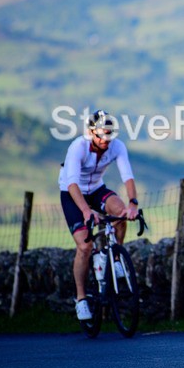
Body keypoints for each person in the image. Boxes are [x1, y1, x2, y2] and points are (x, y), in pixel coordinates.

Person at [59, 109, 140, 321]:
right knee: (85, 246)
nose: (106, 140)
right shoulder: (78, 147)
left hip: (96, 188)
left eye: (109, 135)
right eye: (102, 135)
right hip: (72, 193)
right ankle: (81, 299)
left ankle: (115, 258)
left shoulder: (117, 146)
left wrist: (132, 204)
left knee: (120, 213)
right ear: (91, 132)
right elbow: (72, 183)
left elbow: (128, 176)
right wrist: (86, 211)